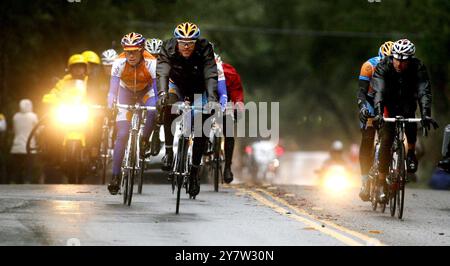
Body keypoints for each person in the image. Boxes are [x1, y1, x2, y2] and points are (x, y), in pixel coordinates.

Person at [156, 22, 219, 197]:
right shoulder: (167, 48)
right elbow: (162, 72)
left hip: (199, 89)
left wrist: (212, 99)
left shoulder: (205, 49)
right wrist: (162, 93)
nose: (185, 46)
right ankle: (169, 152)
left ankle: (194, 172)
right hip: (177, 85)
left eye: (190, 43)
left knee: (201, 125)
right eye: (182, 42)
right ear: (176, 41)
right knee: (168, 104)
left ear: (196, 42)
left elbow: (211, 74)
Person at [372, 39, 438, 203]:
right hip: (388, 104)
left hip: (408, 103)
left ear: (410, 60)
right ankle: (381, 181)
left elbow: (424, 91)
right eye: (397, 59)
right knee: (386, 139)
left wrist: (425, 114)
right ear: (392, 56)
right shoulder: (383, 66)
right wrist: (379, 113)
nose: (399, 65)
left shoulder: (418, 67)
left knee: (411, 121)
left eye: (404, 61)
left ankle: (410, 154)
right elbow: (378, 91)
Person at [107, 32, 158, 195]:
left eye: (134, 51)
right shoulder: (119, 61)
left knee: (154, 109)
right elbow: (112, 89)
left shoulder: (151, 62)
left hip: (145, 92)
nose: (130, 55)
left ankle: (144, 140)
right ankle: (115, 176)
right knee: (122, 134)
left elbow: (157, 90)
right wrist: (111, 102)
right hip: (125, 92)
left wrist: (160, 102)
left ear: (141, 50)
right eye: (128, 51)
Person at [357, 41, 393, 201]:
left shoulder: (400, 68)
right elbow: (362, 92)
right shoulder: (368, 66)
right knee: (367, 137)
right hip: (371, 101)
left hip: (389, 102)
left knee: (390, 136)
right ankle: (365, 181)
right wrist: (363, 108)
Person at [220, 57, 245, 184]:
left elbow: (236, 92)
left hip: (227, 102)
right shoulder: (197, 69)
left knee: (228, 131)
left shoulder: (228, 72)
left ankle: (227, 167)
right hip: (205, 100)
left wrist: (238, 105)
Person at [9, 99, 39, 184]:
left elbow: (14, 130)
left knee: (15, 169)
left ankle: (12, 184)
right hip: (29, 148)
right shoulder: (33, 116)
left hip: (16, 147)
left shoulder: (15, 116)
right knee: (28, 169)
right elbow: (38, 131)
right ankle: (27, 184)